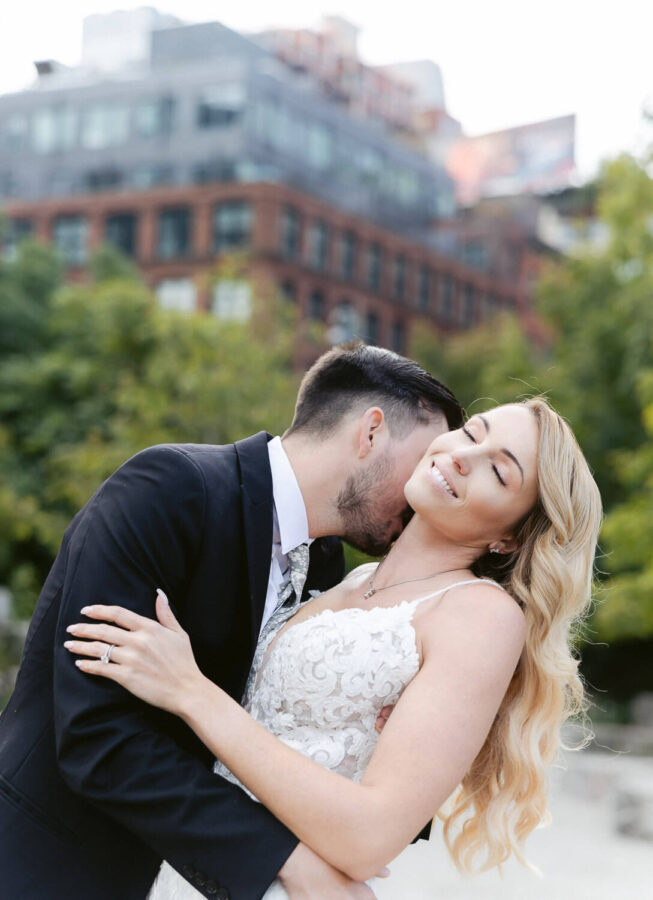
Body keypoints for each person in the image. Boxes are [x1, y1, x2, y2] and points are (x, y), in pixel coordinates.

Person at [65, 397, 603, 899]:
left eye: (498, 470)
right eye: (470, 433)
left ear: (509, 538)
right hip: (209, 863)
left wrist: (191, 692)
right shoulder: (339, 575)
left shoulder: (482, 614)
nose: (463, 457)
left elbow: (369, 838)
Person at [0, 342, 462, 900]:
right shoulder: (169, 488)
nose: (425, 491)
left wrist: (376, 740)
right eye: (428, 457)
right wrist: (288, 859)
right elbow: (97, 736)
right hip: (57, 867)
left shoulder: (326, 563)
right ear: (370, 433)